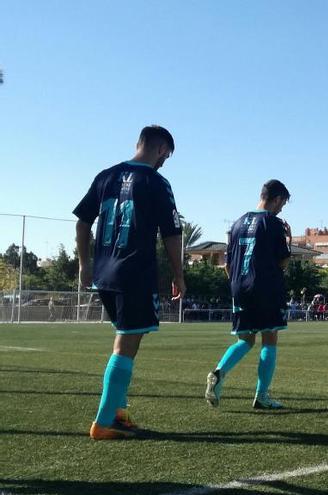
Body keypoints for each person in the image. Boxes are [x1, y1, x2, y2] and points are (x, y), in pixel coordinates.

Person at [74, 125, 185, 440]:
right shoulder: (156, 182)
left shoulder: (106, 176)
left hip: (105, 275)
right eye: (167, 156)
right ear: (162, 149)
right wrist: (178, 275)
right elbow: (172, 234)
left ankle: (118, 412)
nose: (165, 162)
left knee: (124, 340)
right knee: (127, 346)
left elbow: (83, 221)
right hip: (134, 274)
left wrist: (85, 265)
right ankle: (104, 421)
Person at [204, 180, 292, 410]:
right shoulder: (273, 223)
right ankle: (261, 396)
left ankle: (219, 373)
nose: (282, 208)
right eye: (283, 203)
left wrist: (238, 284)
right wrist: (288, 243)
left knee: (245, 339)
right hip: (265, 286)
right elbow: (282, 261)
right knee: (269, 338)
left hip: (238, 286)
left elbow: (227, 264)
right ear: (277, 199)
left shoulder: (238, 223)